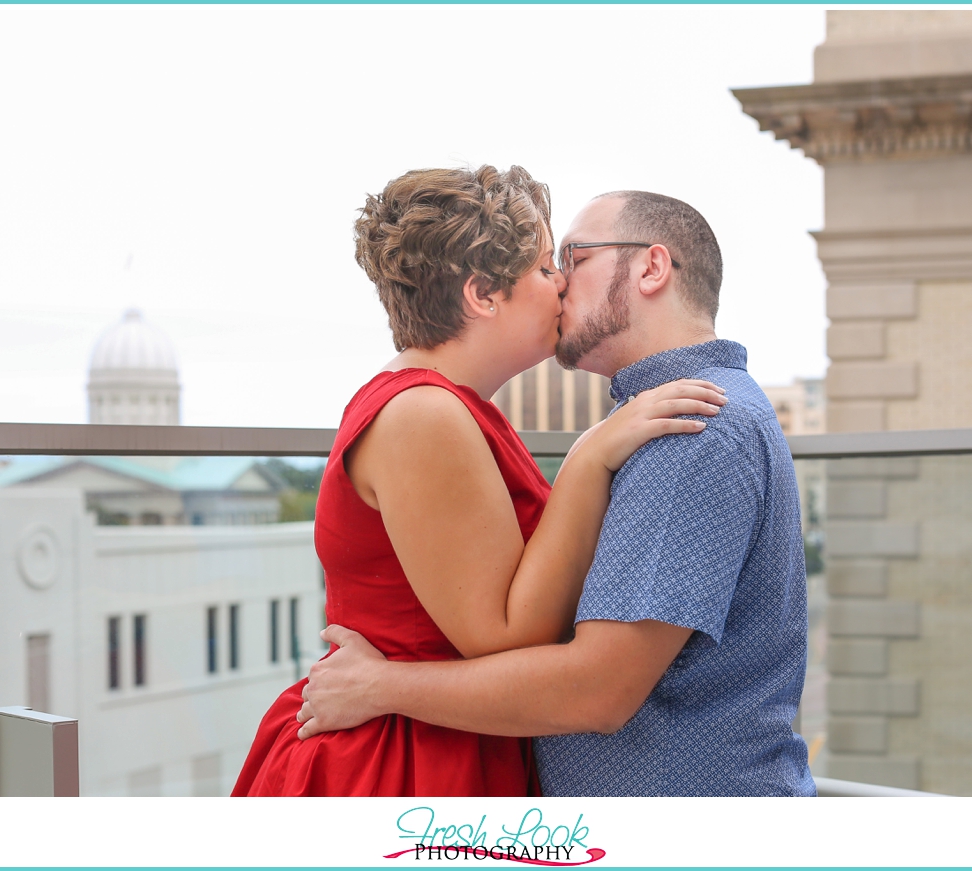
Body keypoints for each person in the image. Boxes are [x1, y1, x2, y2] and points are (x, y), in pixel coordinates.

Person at [296, 190, 817, 797]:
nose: (562, 283)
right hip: (410, 766)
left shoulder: (695, 423)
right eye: (550, 266)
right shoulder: (648, 420)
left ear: (652, 268)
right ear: (481, 294)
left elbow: (598, 688)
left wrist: (382, 686)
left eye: (573, 257)